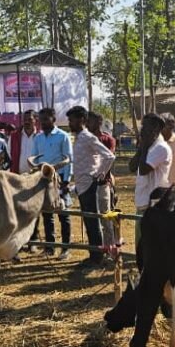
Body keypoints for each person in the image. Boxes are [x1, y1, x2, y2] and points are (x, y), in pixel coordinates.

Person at [67, 106, 115, 265]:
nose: (70, 123)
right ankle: (93, 254)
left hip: (89, 185)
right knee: (89, 221)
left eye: (72, 120)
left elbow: (109, 156)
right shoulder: (79, 138)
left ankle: (97, 257)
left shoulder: (88, 137)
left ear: (81, 120)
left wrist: (98, 175)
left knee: (93, 222)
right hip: (81, 185)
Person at [32, 108, 73, 256]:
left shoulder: (63, 136)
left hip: (59, 178)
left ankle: (66, 248)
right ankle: (50, 247)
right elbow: (34, 158)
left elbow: (68, 159)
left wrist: (66, 181)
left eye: (45, 119)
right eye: (40, 120)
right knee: (47, 214)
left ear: (53, 119)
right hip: (43, 179)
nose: (42, 123)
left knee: (63, 213)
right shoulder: (38, 138)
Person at [129, 113, 172, 244]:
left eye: (145, 126)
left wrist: (145, 147)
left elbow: (143, 170)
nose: (141, 130)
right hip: (142, 202)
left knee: (151, 245)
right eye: (142, 126)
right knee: (140, 244)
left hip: (153, 205)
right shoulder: (148, 146)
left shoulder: (161, 148)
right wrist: (142, 147)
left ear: (155, 129)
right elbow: (132, 167)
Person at [87, 111, 117, 247]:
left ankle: (109, 247)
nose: (87, 124)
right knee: (91, 219)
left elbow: (107, 159)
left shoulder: (108, 140)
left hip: (102, 184)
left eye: (90, 121)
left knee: (106, 218)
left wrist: (98, 175)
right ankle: (96, 249)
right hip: (87, 185)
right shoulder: (85, 140)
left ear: (99, 122)